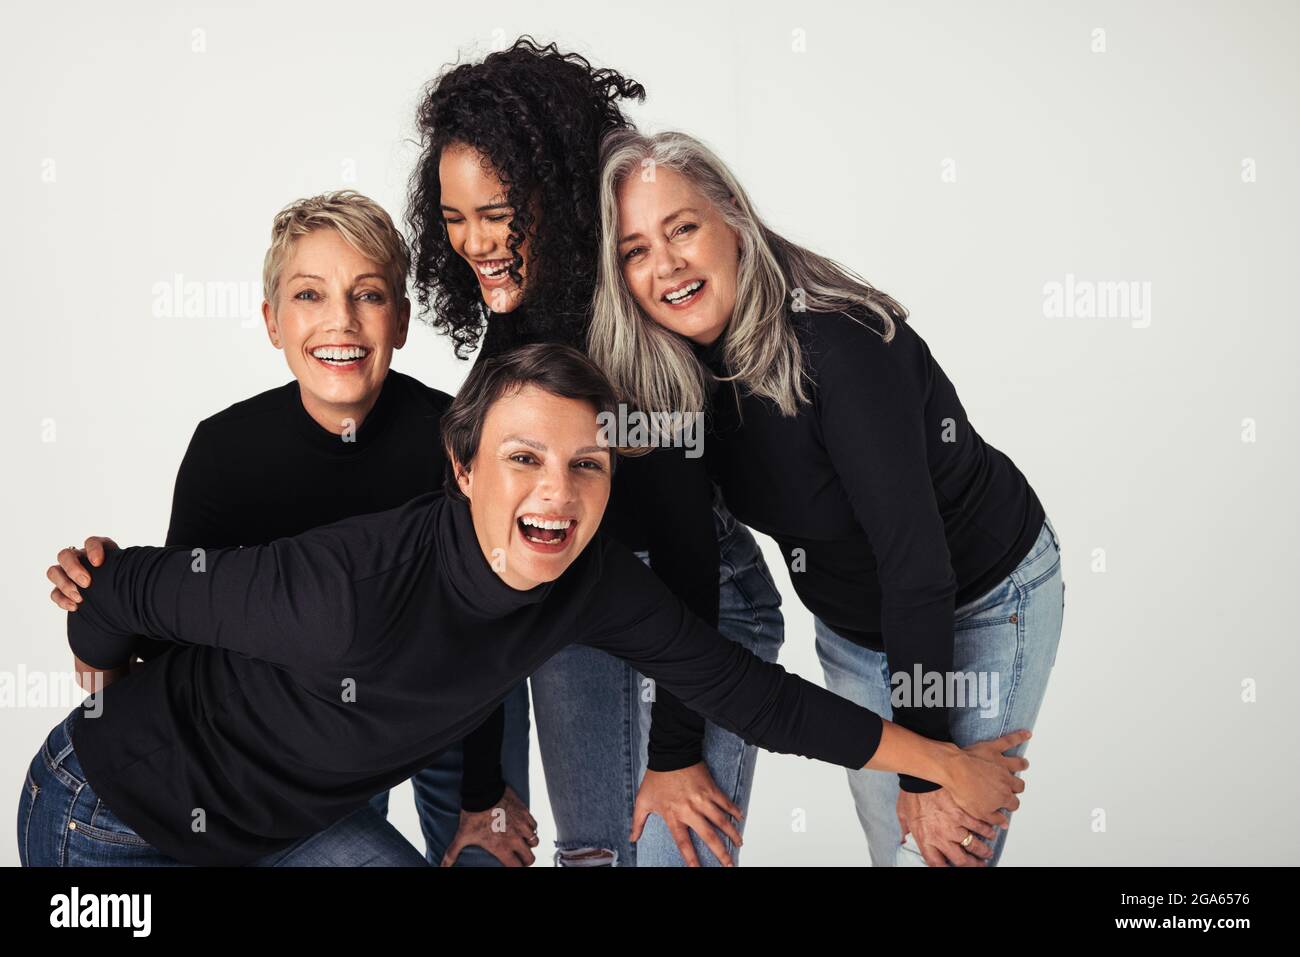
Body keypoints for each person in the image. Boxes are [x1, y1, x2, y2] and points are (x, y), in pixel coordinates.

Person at [19, 342, 1030, 867]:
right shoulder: (347, 594)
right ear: (462, 469)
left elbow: (745, 692)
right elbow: (120, 585)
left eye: (584, 464)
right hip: (110, 818)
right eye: (523, 458)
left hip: (283, 831)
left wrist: (939, 762)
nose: (557, 489)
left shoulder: (586, 583)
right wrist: (107, 675)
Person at [591, 128, 1065, 867]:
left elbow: (916, 567)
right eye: (636, 250)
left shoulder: (837, 345)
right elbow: (690, 571)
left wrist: (926, 764)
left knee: (933, 851)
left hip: (978, 599)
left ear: (734, 224)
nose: (667, 264)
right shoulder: (667, 381)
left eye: (682, 227)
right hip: (854, 630)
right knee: (894, 846)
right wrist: (675, 754)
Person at [42, 191, 535, 867]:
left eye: (367, 295)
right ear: (273, 322)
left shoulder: (452, 444)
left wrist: (483, 800)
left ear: (401, 320)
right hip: (279, 747)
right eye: (310, 296)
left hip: (427, 705)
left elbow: (489, 646)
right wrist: (100, 604)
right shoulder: (226, 452)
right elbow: (167, 650)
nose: (341, 320)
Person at [407, 36, 783, 866]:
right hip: (578, 587)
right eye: (455, 218)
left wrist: (676, 751)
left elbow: (687, 551)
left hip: (699, 599)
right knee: (593, 855)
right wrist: (482, 792)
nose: (475, 242)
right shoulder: (515, 331)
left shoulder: (628, 331)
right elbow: (479, 563)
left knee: (664, 853)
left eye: (499, 213)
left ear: (560, 195)